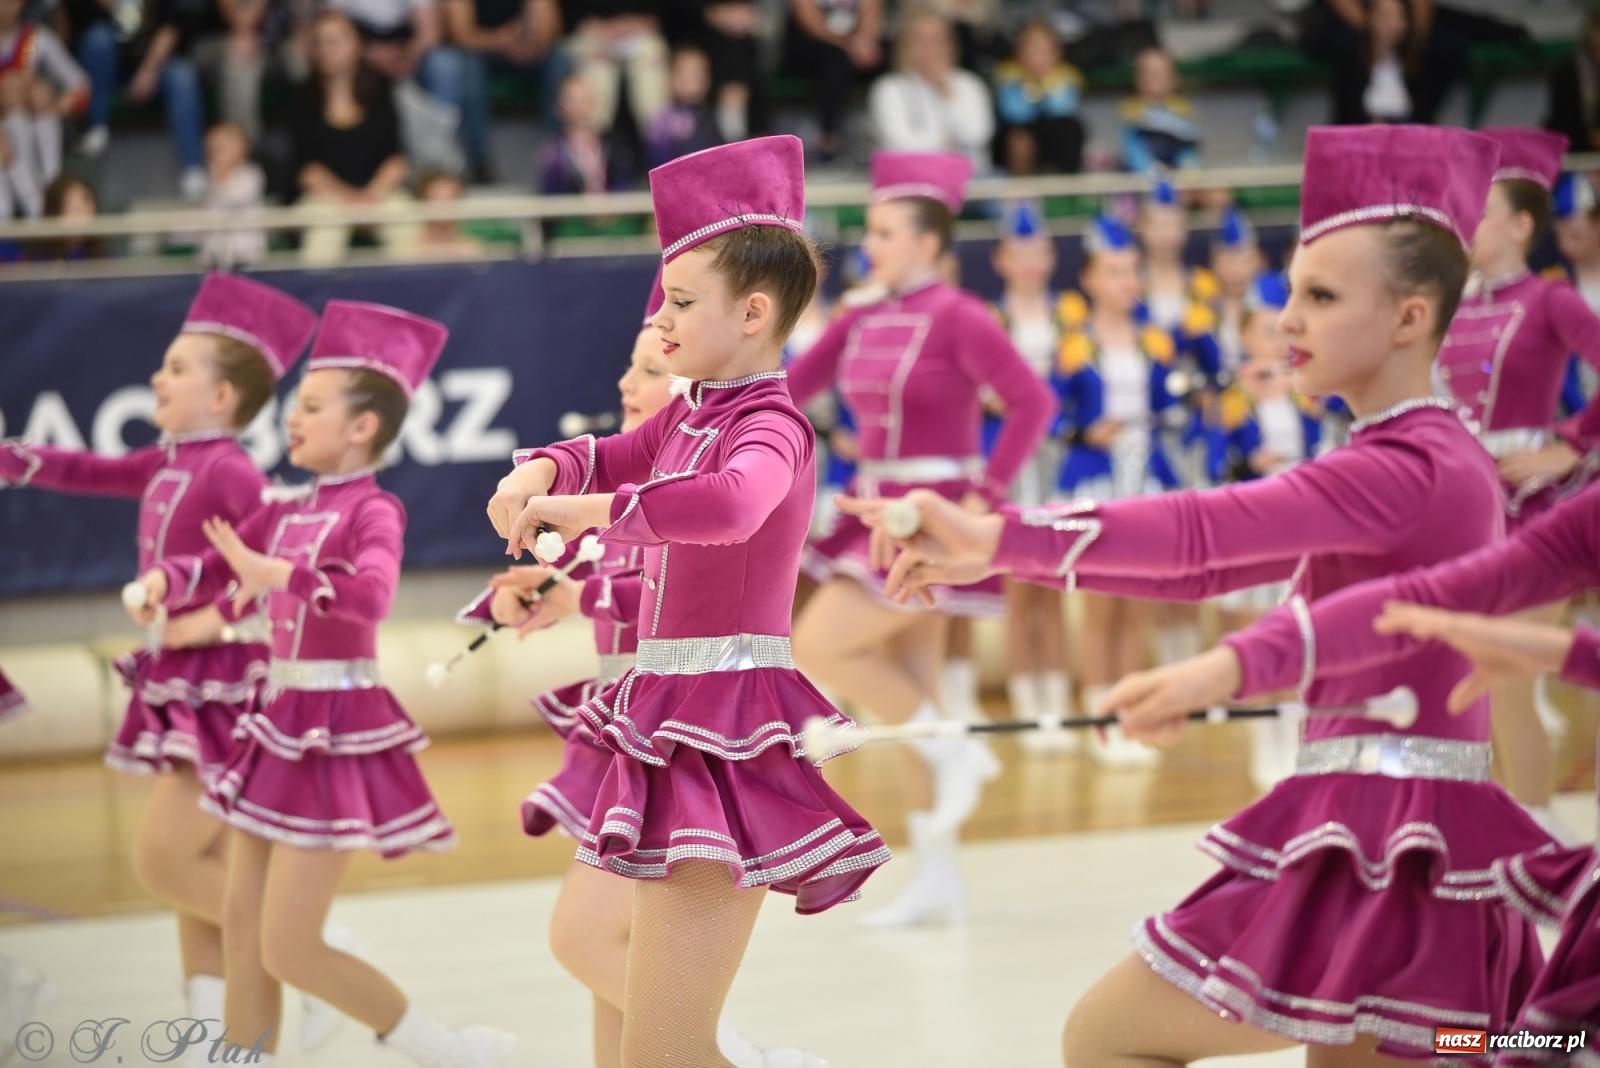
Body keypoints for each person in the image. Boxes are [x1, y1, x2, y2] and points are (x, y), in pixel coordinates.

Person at [846, 124, 1558, 1063]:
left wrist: (1001, 539)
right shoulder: (1427, 453)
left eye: (1320, 296)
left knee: (1108, 1037)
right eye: (1292, 292)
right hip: (1398, 836)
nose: (1287, 321)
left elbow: (1207, 531)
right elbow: (1211, 566)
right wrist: (1002, 551)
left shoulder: (1411, 465)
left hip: (1383, 842)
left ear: (1410, 317)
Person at [486, 135, 888, 1066]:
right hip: (668, 713)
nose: (660, 320)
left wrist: (587, 508)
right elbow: (607, 453)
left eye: (679, 301)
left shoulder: (772, 426)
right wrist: (540, 470)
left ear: (753, 313)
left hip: (723, 730)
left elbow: (732, 505)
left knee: (664, 1048)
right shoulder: (692, 413)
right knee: (646, 1040)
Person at [134, 301, 511, 1068]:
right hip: (275, 718)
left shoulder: (375, 510)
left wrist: (284, 576)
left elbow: (372, 596)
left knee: (290, 947)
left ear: (362, 426)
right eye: (295, 405)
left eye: (310, 407)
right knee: (243, 931)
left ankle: (447, 1049)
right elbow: (220, 562)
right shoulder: (289, 508)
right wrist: (167, 583)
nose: (291, 419)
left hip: (335, 726)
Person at [0, 274, 335, 1055]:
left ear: (221, 397)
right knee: (203, 861)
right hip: (186, 674)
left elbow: (270, 553)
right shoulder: (167, 462)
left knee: (162, 858)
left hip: (226, 676)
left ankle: (311, 953)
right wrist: (13, 459)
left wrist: (212, 615)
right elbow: (84, 471)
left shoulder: (228, 470)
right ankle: (212, 1028)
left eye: (177, 368)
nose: (158, 377)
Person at [786, 150, 1055, 927]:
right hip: (873, 507)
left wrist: (985, 494)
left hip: (930, 517)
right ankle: (938, 876)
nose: (870, 245)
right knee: (914, 695)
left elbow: (1032, 404)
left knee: (818, 645)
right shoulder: (860, 314)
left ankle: (955, 751)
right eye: (869, 232)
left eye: (885, 233)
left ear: (929, 243)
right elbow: (791, 389)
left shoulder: (960, 315)